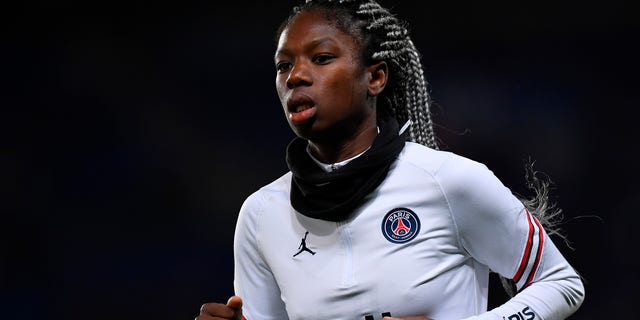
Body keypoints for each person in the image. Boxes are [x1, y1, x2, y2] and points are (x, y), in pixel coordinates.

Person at [196, 0, 585, 319]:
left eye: (322, 58)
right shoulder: (262, 214)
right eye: (284, 65)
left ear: (376, 77)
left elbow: (561, 284)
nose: (296, 76)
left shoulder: (448, 182)